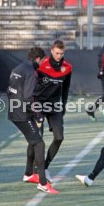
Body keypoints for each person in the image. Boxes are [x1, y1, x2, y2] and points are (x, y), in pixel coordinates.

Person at [7, 47, 59, 194]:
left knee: (33, 139)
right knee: (39, 143)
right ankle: (43, 183)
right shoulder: (31, 71)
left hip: (15, 108)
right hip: (22, 113)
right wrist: (37, 114)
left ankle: (29, 174)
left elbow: (10, 90)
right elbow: (28, 97)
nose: (43, 63)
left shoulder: (18, 67)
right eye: (43, 60)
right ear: (39, 59)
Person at [34, 40, 72, 183]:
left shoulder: (67, 67)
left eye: (61, 53)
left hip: (55, 105)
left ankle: (45, 167)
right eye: (57, 53)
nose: (59, 56)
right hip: (39, 104)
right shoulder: (41, 66)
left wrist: (63, 106)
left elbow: (66, 88)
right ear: (51, 51)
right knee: (38, 139)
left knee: (59, 137)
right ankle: (34, 170)